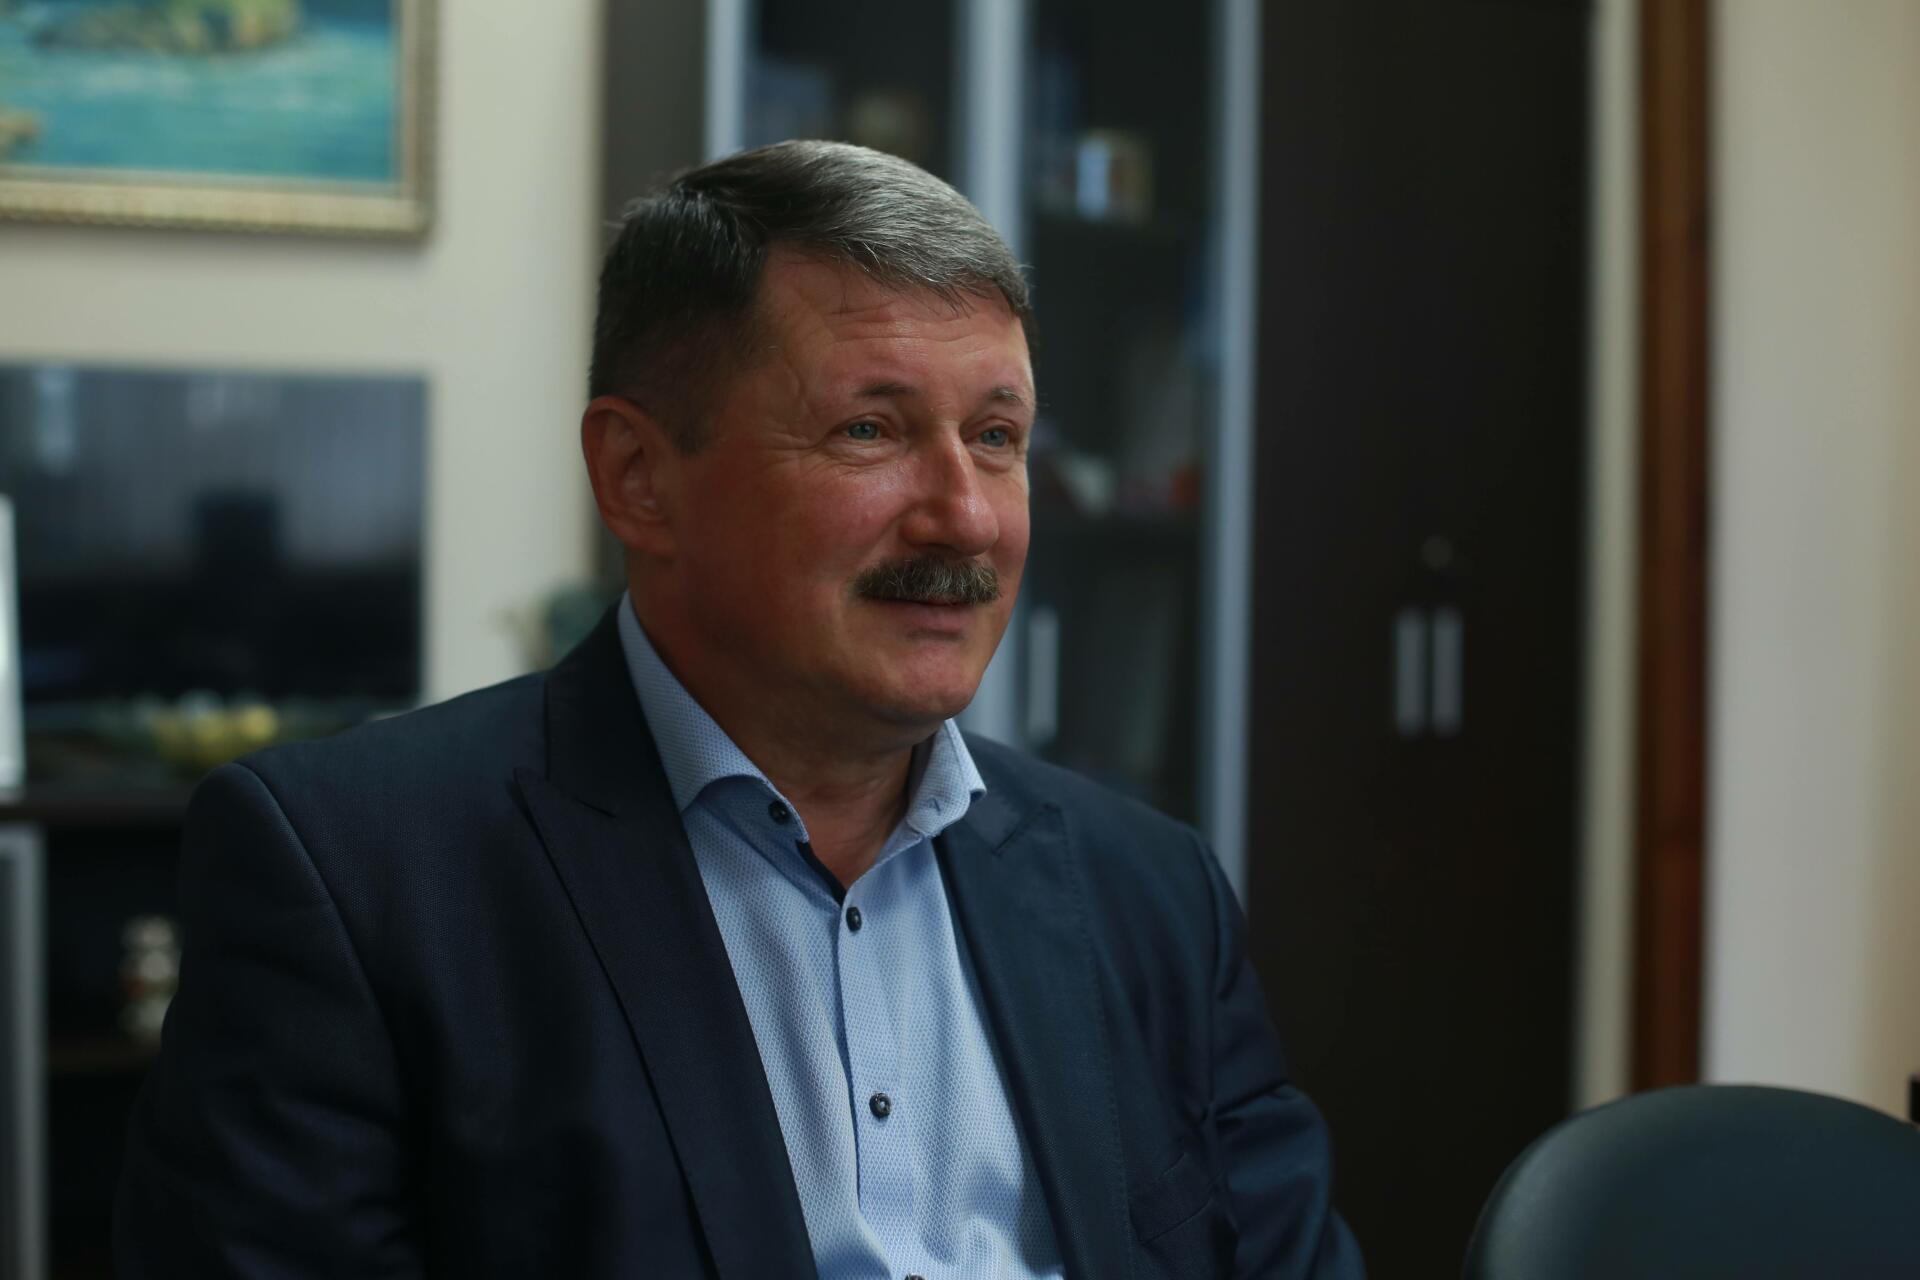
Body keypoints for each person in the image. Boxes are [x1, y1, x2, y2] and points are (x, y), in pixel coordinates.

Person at [115, 140, 1363, 1279]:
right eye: (870, 429)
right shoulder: (357, 878)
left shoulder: (1151, 893)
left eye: (997, 436)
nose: (966, 515)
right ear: (638, 477)